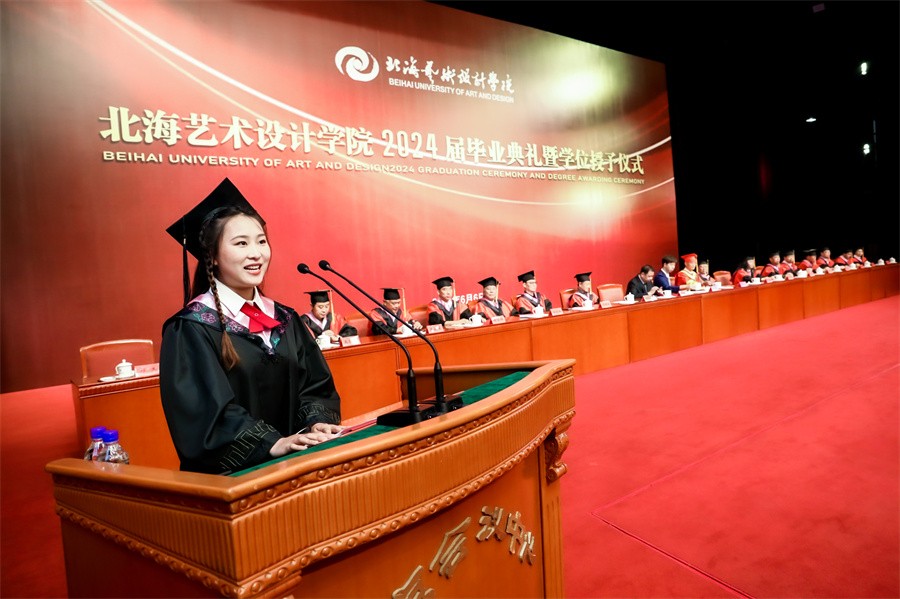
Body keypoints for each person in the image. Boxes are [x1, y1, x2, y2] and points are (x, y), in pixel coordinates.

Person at [160, 178, 343, 475]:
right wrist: (271, 443)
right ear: (212, 257)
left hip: (298, 467)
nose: (256, 253)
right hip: (233, 482)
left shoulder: (284, 318)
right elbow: (203, 413)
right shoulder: (191, 328)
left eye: (261, 241)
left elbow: (315, 385)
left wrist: (316, 422)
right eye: (241, 243)